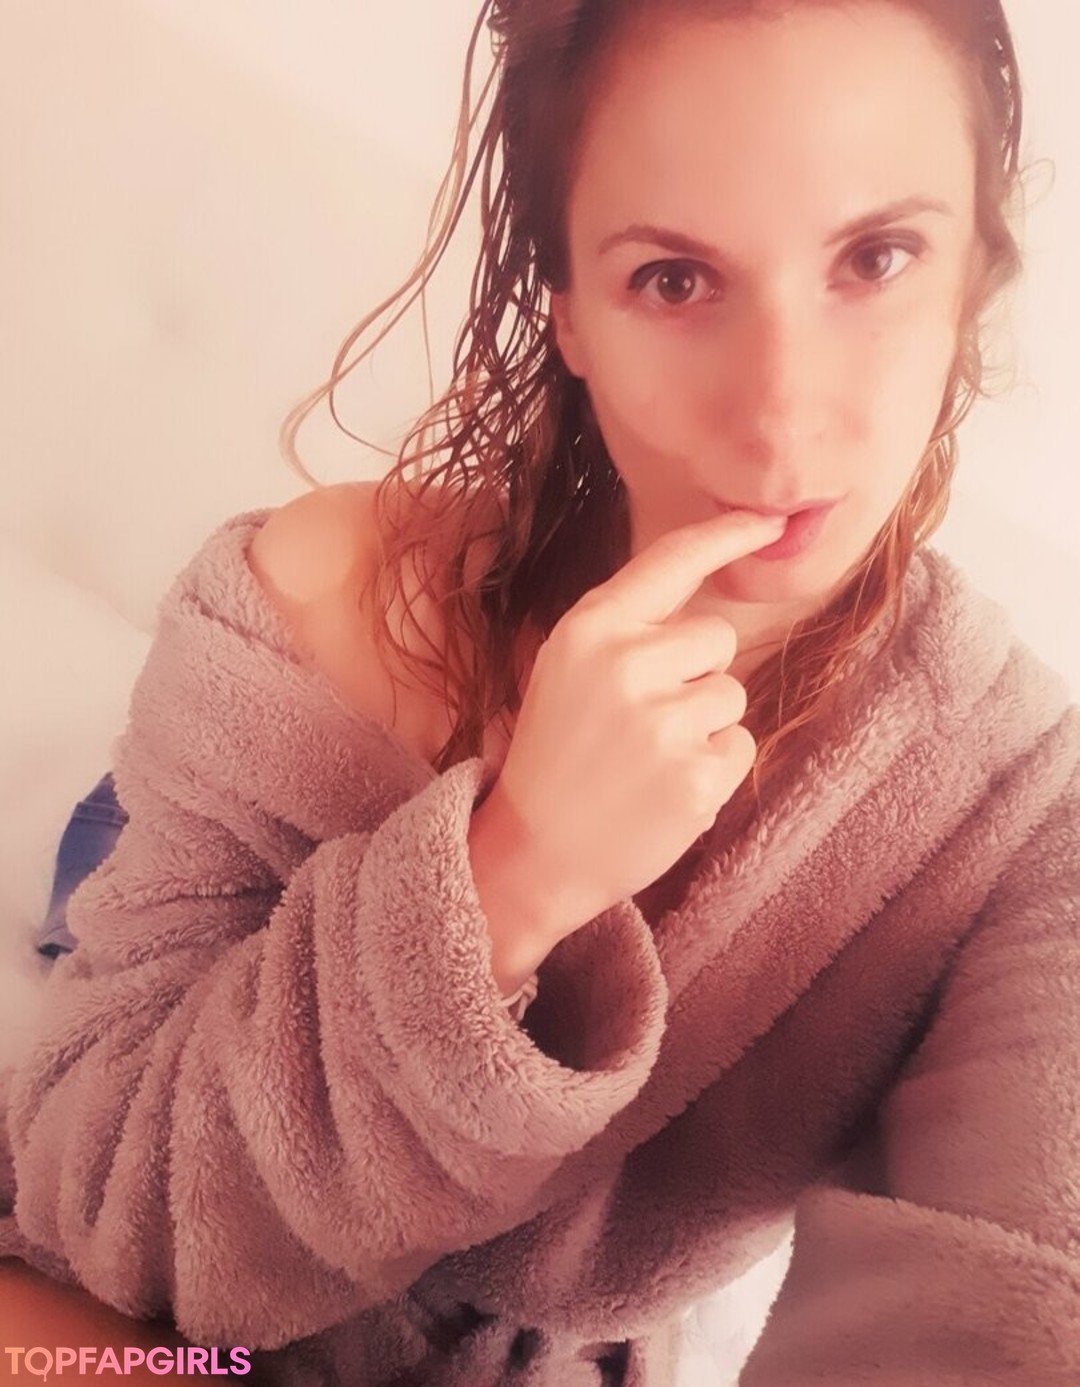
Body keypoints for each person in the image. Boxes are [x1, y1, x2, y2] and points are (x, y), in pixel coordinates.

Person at [2, 1, 1077, 1384]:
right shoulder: (326, 597)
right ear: (569, 315)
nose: (780, 416)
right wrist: (509, 875)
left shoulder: (1024, 821)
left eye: (875, 259)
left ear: (975, 268)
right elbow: (105, 1217)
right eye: (674, 280)